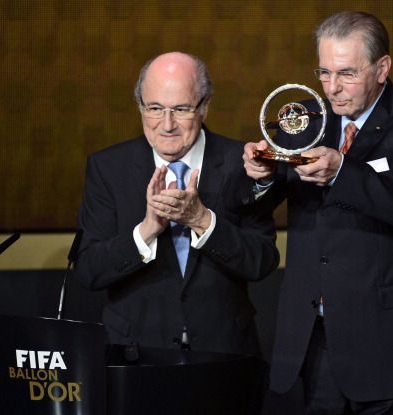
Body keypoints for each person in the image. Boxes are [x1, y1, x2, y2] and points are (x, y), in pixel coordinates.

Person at [242, 11, 393, 415]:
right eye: (323, 73)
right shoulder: (305, 120)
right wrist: (259, 175)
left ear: (382, 68)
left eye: (347, 74)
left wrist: (342, 171)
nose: (333, 89)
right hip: (316, 340)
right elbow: (248, 207)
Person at [74, 51, 279, 357]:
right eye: (154, 108)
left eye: (181, 109)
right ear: (140, 106)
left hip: (225, 356)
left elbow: (262, 260)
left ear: (204, 107)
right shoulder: (108, 168)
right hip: (135, 357)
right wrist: (145, 232)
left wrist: (202, 221)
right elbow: (89, 271)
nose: (166, 124)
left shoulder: (242, 164)